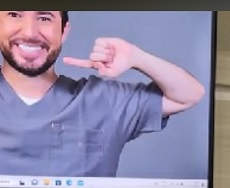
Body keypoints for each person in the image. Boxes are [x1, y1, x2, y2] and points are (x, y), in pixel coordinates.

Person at [0, 11, 205, 177]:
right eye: (14, 14)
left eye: (44, 18)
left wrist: (137, 57)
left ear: (63, 31)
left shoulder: (104, 99)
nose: (29, 32)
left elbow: (189, 95)